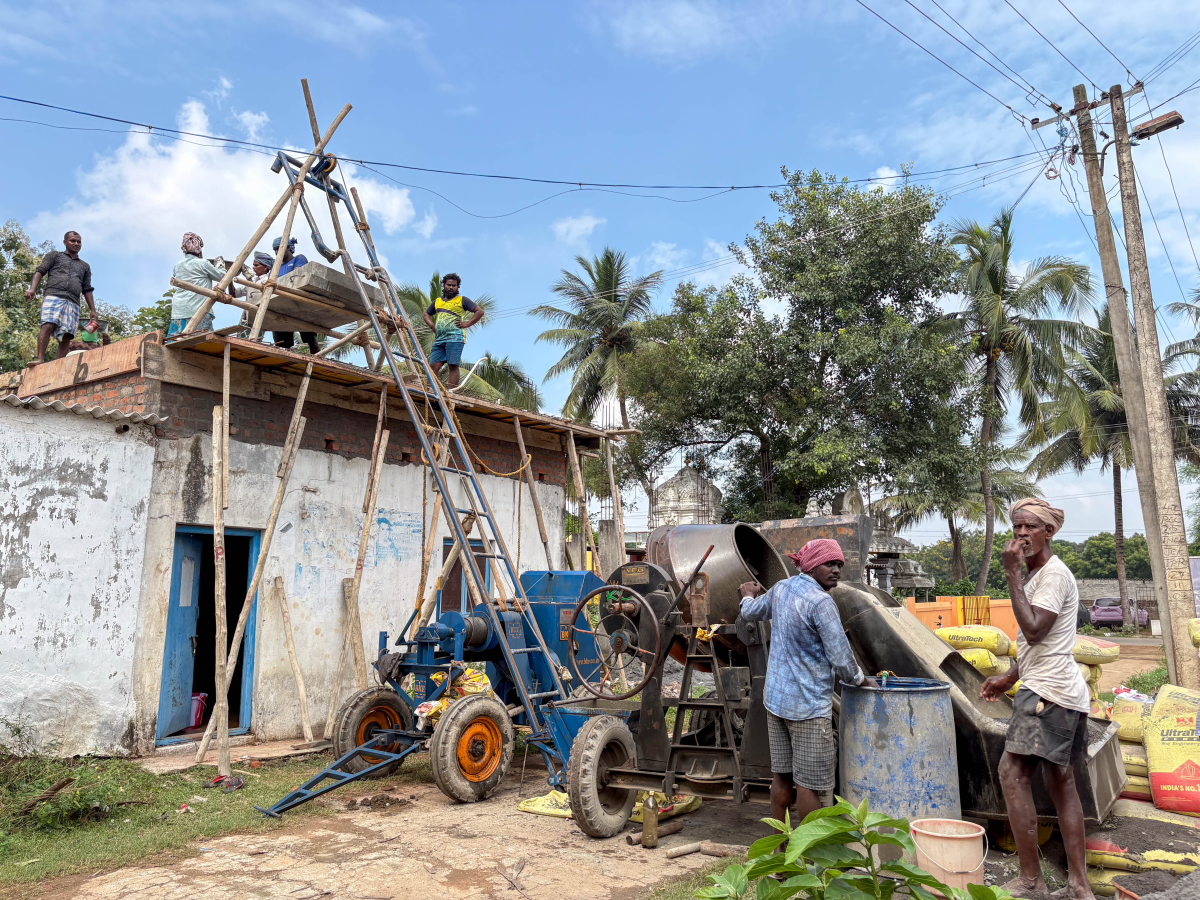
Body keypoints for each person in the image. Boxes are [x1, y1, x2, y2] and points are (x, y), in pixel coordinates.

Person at [980, 498, 1094, 900]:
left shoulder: (1052, 576)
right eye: (1017, 528)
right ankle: (1079, 886)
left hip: (1047, 693)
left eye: (1030, 527)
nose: (1022, 535)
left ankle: (1031, 881)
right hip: (1058, 689)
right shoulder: (1038, 576)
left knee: (1013, 775)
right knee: (1061, 783)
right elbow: (1042, 647)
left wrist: (1011, 574)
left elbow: (1033, 632)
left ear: (1050, 532)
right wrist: (1008, 677)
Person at [739, 538, 871, 826]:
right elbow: (841, 657)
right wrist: (860, 680)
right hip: (808, 709)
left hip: (775, 702)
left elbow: (750, 612)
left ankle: (780, 847)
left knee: (782, 778)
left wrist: (747, 594)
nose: (836, 570)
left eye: (838, 564)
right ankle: (810, 856)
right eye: (829, 564)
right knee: (809, 785)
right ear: (811, 566)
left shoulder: (782, 588)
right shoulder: (821, 602)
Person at [26, 230, 97, 364]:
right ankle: (40, 359)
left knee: (67, 334)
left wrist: (93, 310)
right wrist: (32, 289)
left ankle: (58, 364)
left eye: (78, 241)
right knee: (47, 324)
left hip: (73, 301)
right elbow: (40, 271)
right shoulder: (55, 256)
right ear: (65, 242)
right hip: (54, 296)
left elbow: (87, 289)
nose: (76, 243)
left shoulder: (84, 266)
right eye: (72, 241)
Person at [423, 273, 483, 389]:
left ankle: (451, 393)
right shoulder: (437, 302)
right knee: (434, 366)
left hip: (455, 338)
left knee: (452, 365)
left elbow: (479, 311)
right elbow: (426, 314)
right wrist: (432, 326)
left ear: (457, 287)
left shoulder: (462, 300)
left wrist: (467, 324)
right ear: (444, 286)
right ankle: (430, 390)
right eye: (448, 285)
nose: (451, 287)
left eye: (454, 286)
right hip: (439, 339)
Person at [169, 232, 227, 337]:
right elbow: (223, 277)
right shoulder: (203, 263)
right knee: (202, 342)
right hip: (198, 310)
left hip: (179, 311)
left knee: (178, 340)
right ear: (198, 248)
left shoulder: (177, 266)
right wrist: (220, 265)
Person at [268, 237, 318, 354]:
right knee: (282, 340)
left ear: (289, 248)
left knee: (309, 336)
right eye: (275, 249)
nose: (276, 252)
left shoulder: (299, 259)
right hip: (281, 303)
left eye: (279, 248)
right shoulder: (276, 267)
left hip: (299, 301)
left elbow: (296, 277)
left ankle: (318, 358)